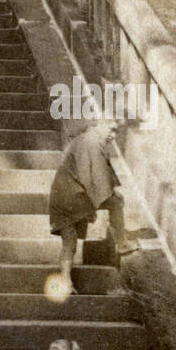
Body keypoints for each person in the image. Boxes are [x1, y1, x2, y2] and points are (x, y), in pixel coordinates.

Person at [48, 119, 135, 295]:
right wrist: (111, 196)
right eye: (112, 129)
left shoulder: (86, 139)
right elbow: (98, 179)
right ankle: (122, 243)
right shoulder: (92, 142)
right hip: (74, 196)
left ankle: (66, 279)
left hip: (61, 197)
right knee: (117, 203)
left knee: (69, 241)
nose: (113, 136)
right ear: (99, 125)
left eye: (116, 132)